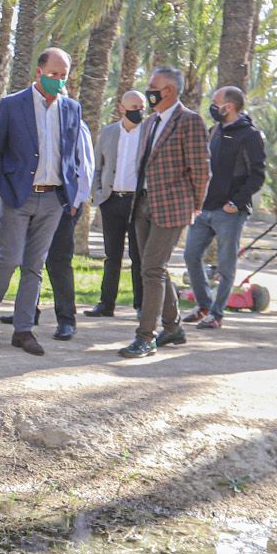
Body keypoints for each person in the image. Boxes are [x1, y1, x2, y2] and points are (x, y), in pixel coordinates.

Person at [0, 48, 93, 355]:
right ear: (38, 72)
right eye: (53, 74)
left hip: (53, 199)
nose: (58, 80)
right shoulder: (14, 105)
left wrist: (72, 193)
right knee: (10, 258)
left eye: (63, 76)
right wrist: (2, 189)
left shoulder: (71, 109)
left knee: (34, 266)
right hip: (18, 196)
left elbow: (72, 154)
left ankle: (23, 330)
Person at [119, 66, 211, 360]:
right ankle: (172, 328)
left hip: (172, 206)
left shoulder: (190, 121)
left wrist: (195, 204)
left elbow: (201, 170)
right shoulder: (149, 123)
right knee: (152, 267)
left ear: (169, 90)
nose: (148, 90)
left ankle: (145, 337)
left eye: (152, 86)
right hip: (143, 202)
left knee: (151, 268)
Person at [182, 85, 267, 330]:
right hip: (204, 208)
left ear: (228, 106)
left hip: (229, 211)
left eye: (215, 102)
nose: (212, 105)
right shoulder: (215, 131)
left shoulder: (249, 135)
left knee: (226, 264)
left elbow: (257, 175)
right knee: (190, 255)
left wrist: (235, 202)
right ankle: (204, 304)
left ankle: (216, 314)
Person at [87, 89, 147, 318]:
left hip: (138, 202)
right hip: (111, 201)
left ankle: (141, 305)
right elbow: (98, 166)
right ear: (122, 108)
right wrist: (99, 193)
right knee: (112, 255)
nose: (138, 113)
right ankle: (106, 303)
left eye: (141, 108)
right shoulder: (109, 132)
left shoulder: (148, 133)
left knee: (138, 255)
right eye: (133, 109)